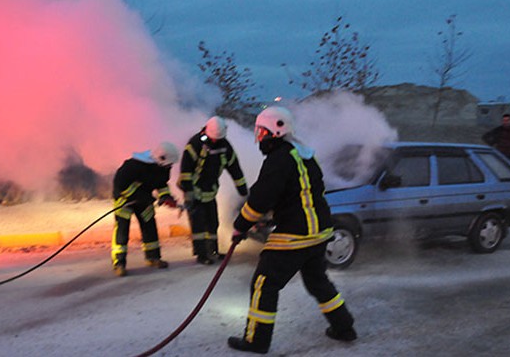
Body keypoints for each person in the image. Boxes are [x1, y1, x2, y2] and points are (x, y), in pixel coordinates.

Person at [227, 106, 357, 354]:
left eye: (262, 132)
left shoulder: (279, 159)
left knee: (264, 283)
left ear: (275, 131)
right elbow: (298, 193)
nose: (260, 138)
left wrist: (240, 226)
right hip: (318, 234)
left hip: (296, 236)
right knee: (318, 281)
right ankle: (344, 327)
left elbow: (261, 199)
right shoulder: (304, 155)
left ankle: (257, 340)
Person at [178, 116, 248, 265]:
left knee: (212, 222)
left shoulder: (224, 145)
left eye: (219, 139)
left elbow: (234, 167)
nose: (216, 142)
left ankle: (213, 251)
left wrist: (242, 188)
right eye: (213, 139)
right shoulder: (195, 144)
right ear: (205, 131)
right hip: (194, 190)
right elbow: (185, 170)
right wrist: (189, 192)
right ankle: (202, 255)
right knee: (199, 226)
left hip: (210, 190)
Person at [111, 141, 179, 277]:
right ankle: (119, 263)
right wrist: (138, 197)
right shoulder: (133, 166)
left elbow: (162, 184)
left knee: (149, 225)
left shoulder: (163, 167)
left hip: (144, 200)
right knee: (122, 230)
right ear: (161, 158)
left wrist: (166, 196)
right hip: (125, 200)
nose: (170, 167)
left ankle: (153, 257)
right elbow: (120, 185)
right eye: (169, 163)